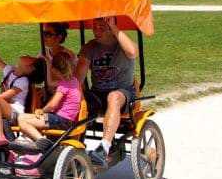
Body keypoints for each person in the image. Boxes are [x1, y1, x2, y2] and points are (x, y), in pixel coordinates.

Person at [77, 16, 139, 166]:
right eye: (94, 27)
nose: (96, 31)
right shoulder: (90, 47)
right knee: (79, 102)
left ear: (111, 29)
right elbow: (78, 77)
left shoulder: (122, 43)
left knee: (114, 97)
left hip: (123, 92)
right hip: (97, 93)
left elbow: (132, 53)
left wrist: (114, 26)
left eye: (101, 27)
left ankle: (104, 147)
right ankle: (73, 146)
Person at [15, 52, 82, 150]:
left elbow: (53, 104)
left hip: (60, 120)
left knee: (23, 123)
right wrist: (49, 64)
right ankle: (28, 139)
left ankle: (43, 143)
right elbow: (50, 83)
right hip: (62, 119)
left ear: (54, 70)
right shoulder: (73, 80)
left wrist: (42, 110)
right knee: (21, 117)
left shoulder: (64, 86)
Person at [39, 22, 81, 88]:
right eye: (43, 34)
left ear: (59, 38)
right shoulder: (42, 54)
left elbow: (74, 81)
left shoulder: (69, 56)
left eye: (48, 35)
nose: (44, 38)